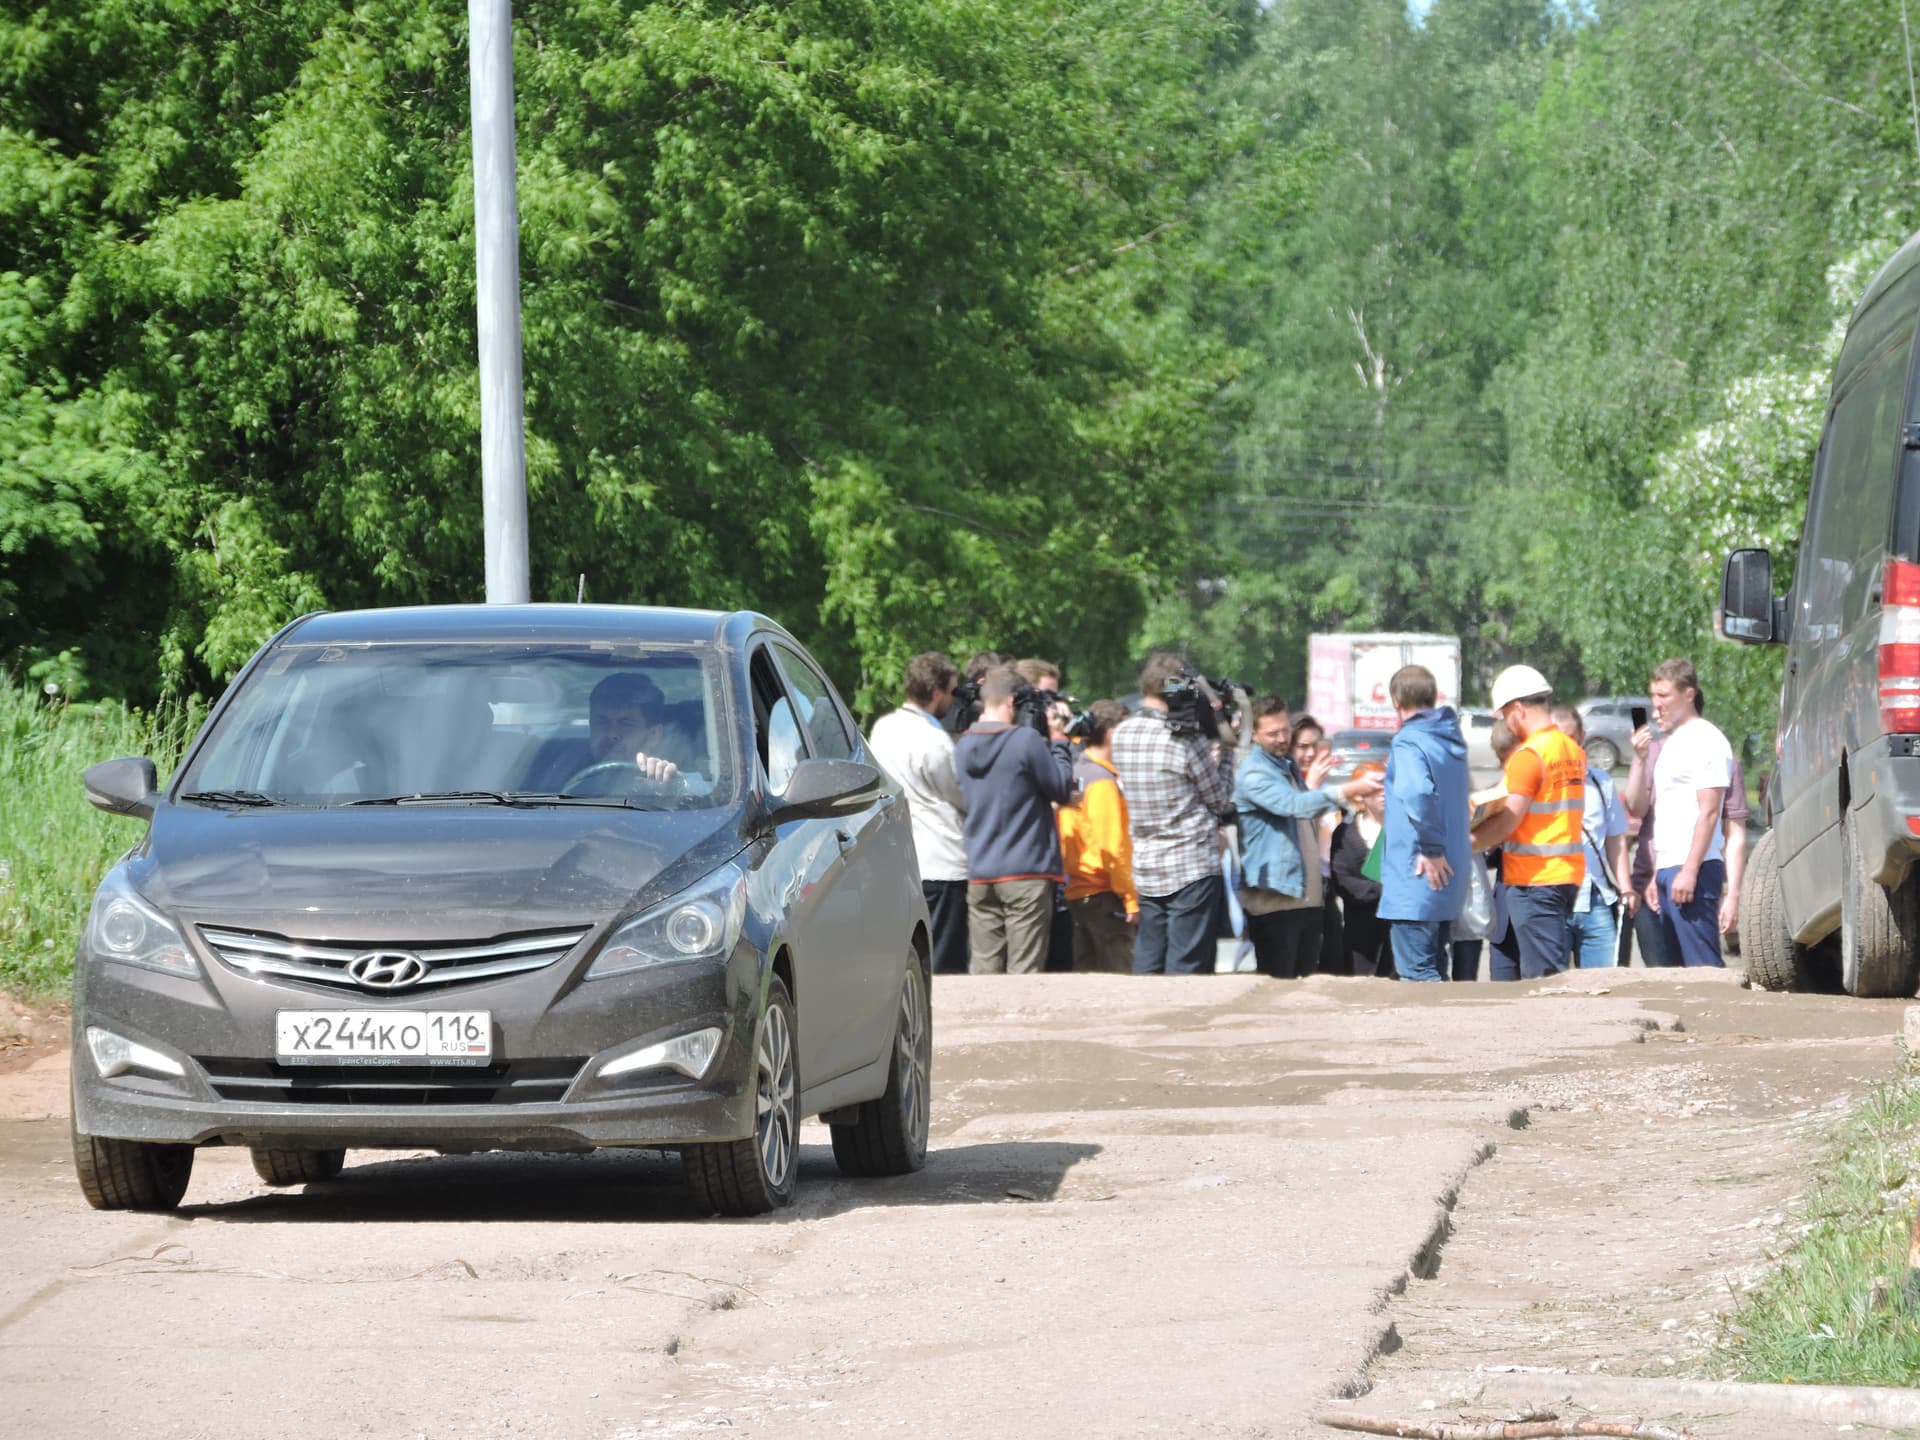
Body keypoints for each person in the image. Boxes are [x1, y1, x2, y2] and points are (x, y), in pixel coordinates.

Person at [1235, 695, 1381, 978]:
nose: (1281, 738)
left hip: (1305, 901)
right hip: (1275, 903)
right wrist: (1349, 790)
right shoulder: (1255, 773)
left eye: (1284, 730)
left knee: (1304, 989)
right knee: (1280, 987)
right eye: (1272, 733)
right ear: (1254, 735)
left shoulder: (1284, 767)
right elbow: (1295, 806)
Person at [1110, 651, 1237, 975]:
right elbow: (1219, 800)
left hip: (1147, 864)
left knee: (1149, 956)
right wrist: (1226, 753)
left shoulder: (1123, 733)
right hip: (1190, 865)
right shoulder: (1184, 739)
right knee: (1187, 966)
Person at [955, 666, 1077, 974]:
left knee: (984, 968)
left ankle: (983, 1021)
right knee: (1024, 971)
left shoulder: (963, 744)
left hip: (981, 871)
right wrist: (1060, 740)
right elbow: (1061, 789)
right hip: (1026, 870)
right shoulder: (1025, 741)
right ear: (1011, 701)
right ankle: (1020, 1024)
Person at [1470, 665, 1585, 979]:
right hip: (1564, 873)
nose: (1507, 722)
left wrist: (1468, 843)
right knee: (1549, 968)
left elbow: (1508, 819)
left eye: (1506, 714)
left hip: (1534, 878)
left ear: (1518, 709)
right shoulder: (1570, 748)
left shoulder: (1529, 755)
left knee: (1543, 977)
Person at [1622, 657, 1733, 968]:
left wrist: (1690, 870)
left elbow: (1709, 812)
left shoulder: (1707, 739)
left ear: (1688, 694)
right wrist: (1659, 874)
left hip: (1694, 868)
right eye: (1653, 697)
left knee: (1702, 966)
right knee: (1674, 976)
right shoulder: (1671, 742)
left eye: (1664, 696)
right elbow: (1659, 814)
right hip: (1669, 868)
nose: (1657, 706)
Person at [868, 651, 970, 975]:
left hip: (903, 858)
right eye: (952, 691)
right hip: (943, 859)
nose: (953, 700)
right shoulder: (934, 740)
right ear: (937, 693)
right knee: (945, 959)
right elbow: (960, 795)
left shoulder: (883, 728)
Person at [1378, 665, 1473, 981]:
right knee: (1435, 969)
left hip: (1417, 879)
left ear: (1395, 701)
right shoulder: (1449, 738)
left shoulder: (1408, 741)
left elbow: (1417, 791)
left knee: (1418, 976)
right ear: (1434, 697)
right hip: (1447, 880)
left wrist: (1431, 848)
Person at [1058, 700, 1137, 973]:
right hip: (1105, 894)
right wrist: (1130, 897)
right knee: (1119, 977)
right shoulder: (1102, 781)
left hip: (1079, 892)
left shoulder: (1077, 771)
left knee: (1087, 981)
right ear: (1113, 734)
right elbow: (1112, 846)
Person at [1553, 704, 1629, 969]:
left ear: (1582, 737)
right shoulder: (1537, 782)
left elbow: (1616, 840)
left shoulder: (1600, 782)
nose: (1566, 747)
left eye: (1571, 739)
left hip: (1595, 898)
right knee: (1552, 989)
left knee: (1606, 986)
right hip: (1553, 900)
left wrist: (1626, 887)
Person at [1292, 714, 1345, 974]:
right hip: (1298, 890)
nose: (1311, 754)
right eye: (1302, 747)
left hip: (1327, 884)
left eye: (1316, 746)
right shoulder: (1287, 784)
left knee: (1334, 956)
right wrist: (1311, 787)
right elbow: (1297, 829)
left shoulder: (1324, 785)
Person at [1330, 763, 1390, 976]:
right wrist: (1384, 890)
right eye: (1374, 788)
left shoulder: (1404, 829)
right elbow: (1342, 879)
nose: (1382, 792)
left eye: (1386, 785)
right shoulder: (1346, 833)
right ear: (1359, 796)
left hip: (1398, 930)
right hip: (1361, 931)